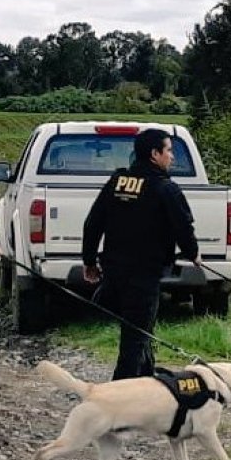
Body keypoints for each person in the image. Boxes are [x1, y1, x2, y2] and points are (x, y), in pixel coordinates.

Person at [82, 128, 199, 380]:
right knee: (135, 338)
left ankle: (148, 380)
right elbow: (183, 227)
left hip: (114, 272)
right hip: (144, 275)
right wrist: (194, 254)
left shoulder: (118, 182)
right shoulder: (166, 188)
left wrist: (89, 261)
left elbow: (93, 223)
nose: (172, 157)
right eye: (169, 151)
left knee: (141, 333)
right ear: (155, 154)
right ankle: (120, 393)